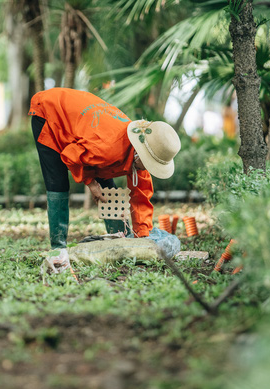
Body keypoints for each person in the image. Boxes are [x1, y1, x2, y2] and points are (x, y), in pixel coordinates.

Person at [29, 87, 181, 265]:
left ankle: (117, 239)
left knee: (107, 184)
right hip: (50, 112)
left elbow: (141, 197)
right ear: (140, 154)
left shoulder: (143, 150)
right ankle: (58, 247)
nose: (148, 168)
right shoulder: (107, 148)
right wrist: (91, 183)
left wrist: (142, 236)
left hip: (89, 133)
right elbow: (70, 156)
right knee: (58, 182)